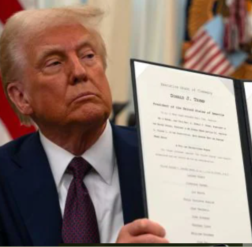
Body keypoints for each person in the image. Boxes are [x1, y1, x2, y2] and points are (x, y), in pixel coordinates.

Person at [0, 6, 168, 245]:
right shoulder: (5, 179)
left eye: (88, 56)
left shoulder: (163, 155)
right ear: (21, 97)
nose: (79, 72)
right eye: (55, 62)